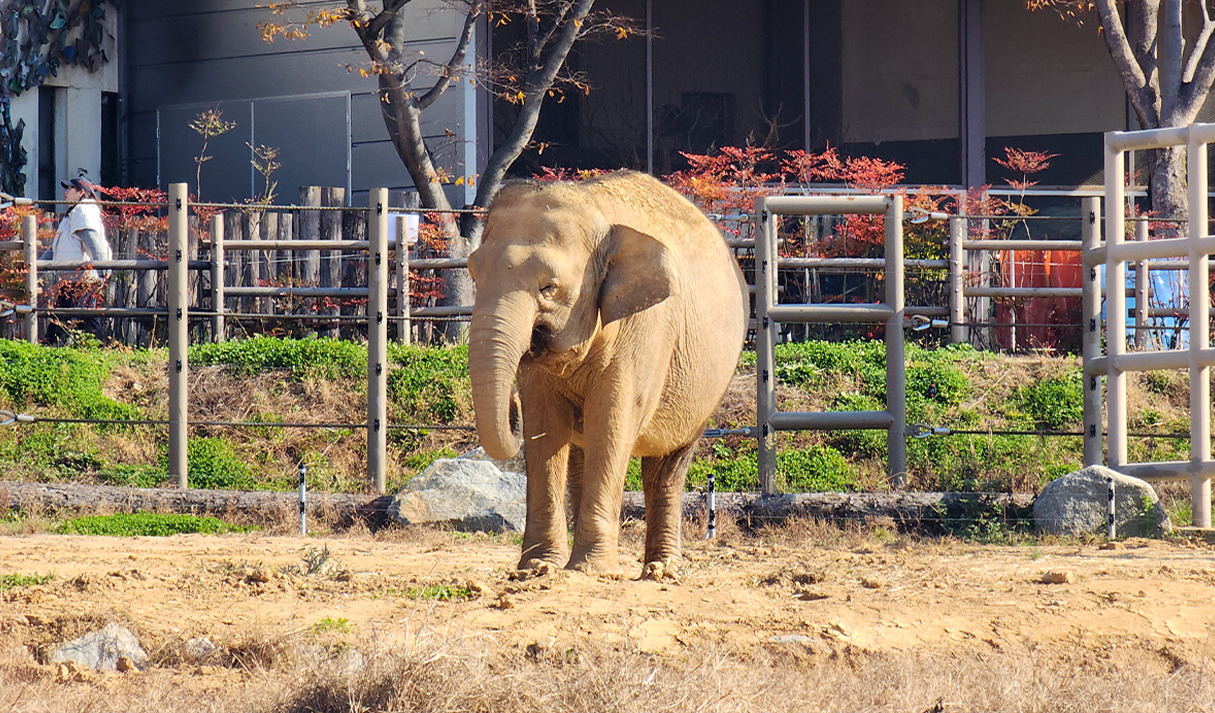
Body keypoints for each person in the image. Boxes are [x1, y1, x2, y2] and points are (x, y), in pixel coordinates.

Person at [41, 177, 112, 344]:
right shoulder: (72, 214)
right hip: (71, 280)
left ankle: (92, 353)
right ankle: (86, 353)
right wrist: (36, 266)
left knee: (81, 323)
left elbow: (94, 245)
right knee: (74, 321)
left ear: (81, 192)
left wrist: (103, 271)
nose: (65, 193)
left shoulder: (83, 212)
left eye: (70, 189)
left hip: (82, 280)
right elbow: (54, 249)